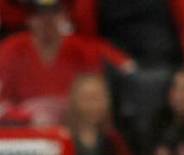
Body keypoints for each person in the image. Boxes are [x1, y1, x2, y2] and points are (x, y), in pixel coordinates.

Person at [0, 0, 133, 127]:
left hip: (75, 134)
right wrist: (26, 116)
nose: (47, 21)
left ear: (64, 15)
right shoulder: (10, 50)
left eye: (53, 13)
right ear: (29, 19)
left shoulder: (84, 48)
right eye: (39, 14)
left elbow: (129, 68)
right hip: (27, 136)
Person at [65, 72, 133, 155]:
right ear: (74, 100)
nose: (93, 105)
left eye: (98, 98)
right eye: (87, 98)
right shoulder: (62, 140)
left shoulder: (115, 141)